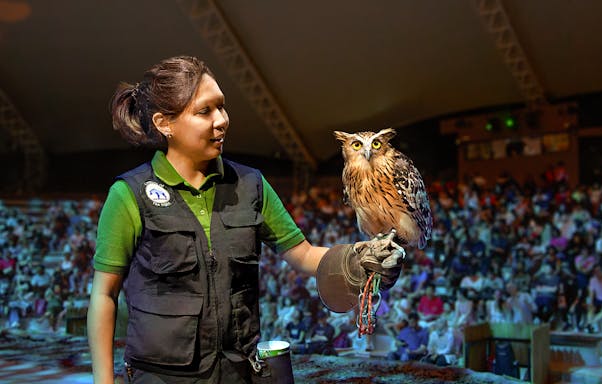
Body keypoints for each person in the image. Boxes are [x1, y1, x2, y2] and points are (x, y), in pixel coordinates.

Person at [86, 56, 404, 384]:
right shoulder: (129, 194)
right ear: (165, 124)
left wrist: (360, 256)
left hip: (240, 372)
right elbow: (104, 295)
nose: (221, 120)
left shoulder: (251, 184)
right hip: (160, 376)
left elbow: (304, 255)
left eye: (221, 107)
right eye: (204, 111)